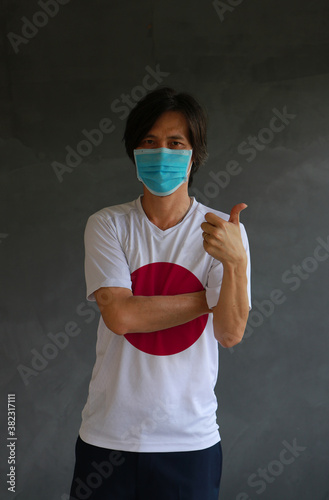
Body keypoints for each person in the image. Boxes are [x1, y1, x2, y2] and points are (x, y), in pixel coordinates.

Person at [69, 87, 251, 500]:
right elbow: (120, 316)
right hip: (108, 436)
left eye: (175, 143)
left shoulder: (225, 232)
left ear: (194, 154)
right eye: (149, 142)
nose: (161, 152)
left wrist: (235, 263)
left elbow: (229, 332)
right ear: (134, 152)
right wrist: (210, 296)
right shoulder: (108, 225)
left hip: (189, 441)